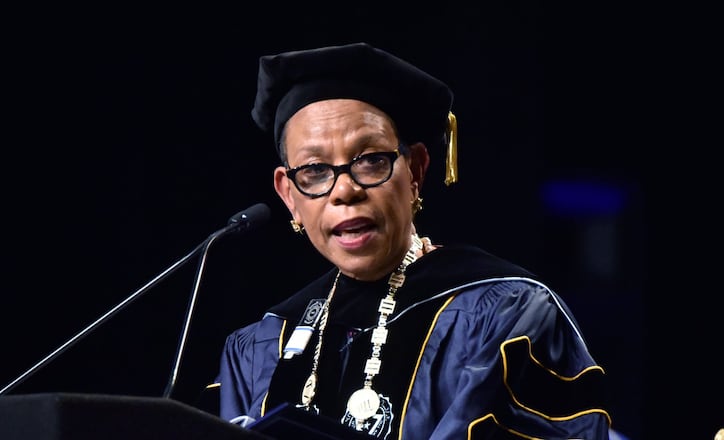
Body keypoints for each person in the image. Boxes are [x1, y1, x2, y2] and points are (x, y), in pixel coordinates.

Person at [210, 42, 612, 439]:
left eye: (371, 161)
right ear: (289, 196)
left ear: (416, 171)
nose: (344, 191)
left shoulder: (506, 314)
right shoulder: (261, 346)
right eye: (314, 170)